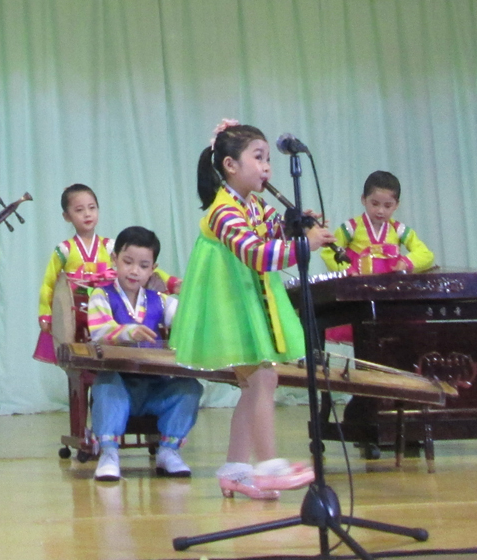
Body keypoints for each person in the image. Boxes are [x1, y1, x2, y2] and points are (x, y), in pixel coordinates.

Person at [169, 120, 336, 499]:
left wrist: (296, 227)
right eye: (258, 158)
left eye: (268, 159)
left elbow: (271, 233)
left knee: (257, 382)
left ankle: (235, 469)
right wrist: (305, 245)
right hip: (230, 308)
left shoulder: (254, 204)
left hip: (250, 302)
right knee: (262, 380)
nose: (266, 167)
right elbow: (256, 253)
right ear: (230, 165)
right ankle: (268, 463)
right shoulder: (222, 210)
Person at [88, 226, 201, 481]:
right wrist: (128, 332)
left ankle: (168, 451)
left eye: (143, 265)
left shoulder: (160, 300)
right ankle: (108, 454)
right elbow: (99, 331)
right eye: (127, 262)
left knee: (189, 389)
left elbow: (187, 320)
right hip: (121, 387)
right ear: (114, 259)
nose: (134, 270)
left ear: (153, 269)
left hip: (154, 389)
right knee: (105, 385)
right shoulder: (101, 295)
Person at [33, 184, 181, 363]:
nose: (87, 214)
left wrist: (171, 282)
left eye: (92, 208)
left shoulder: (110, 245)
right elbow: (49, 282)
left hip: (112, 299)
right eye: (79, 210)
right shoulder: (64, 249)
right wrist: (45, 313)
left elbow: (144, 266)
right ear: (66, 216)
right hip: (81, 307)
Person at [320, 170, 435, 343]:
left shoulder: (399, 230)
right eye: (374, 204)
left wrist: (407, 262)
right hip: (360, 293)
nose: (380, 211)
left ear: (396, 205)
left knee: (393, 338)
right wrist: (347, 271)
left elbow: (426, 254)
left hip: (390, 296)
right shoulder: (350, 228)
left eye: (387, 206)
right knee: (363, 336)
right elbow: (329, 251)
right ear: (363, 200)